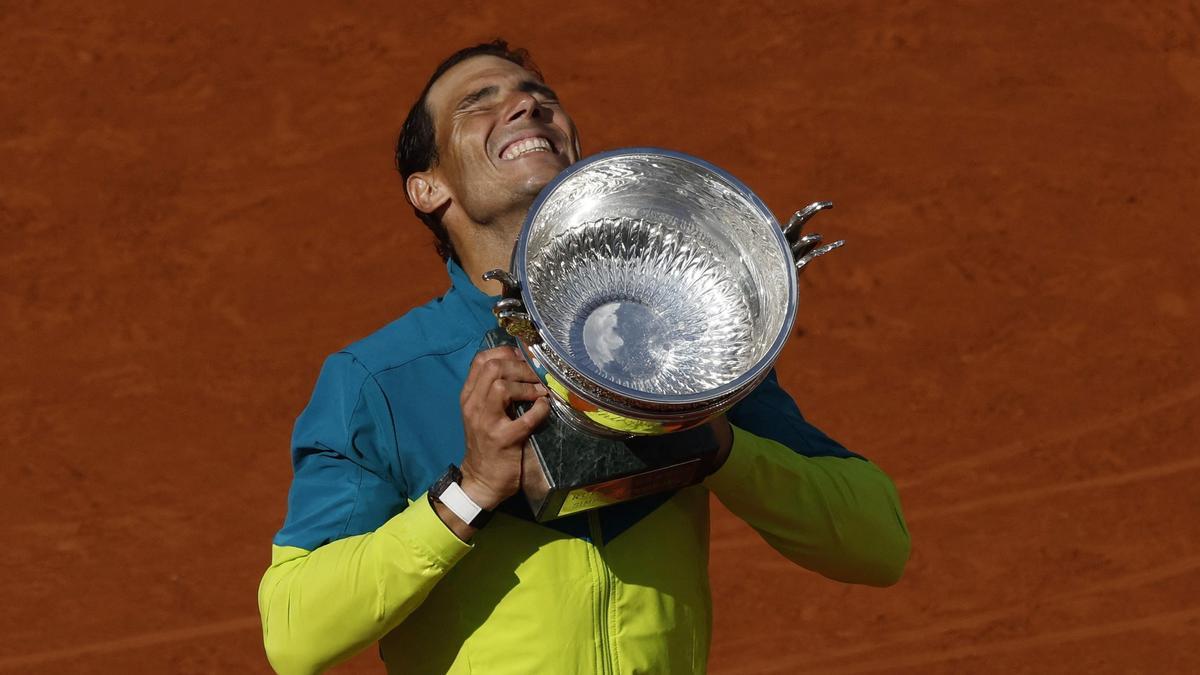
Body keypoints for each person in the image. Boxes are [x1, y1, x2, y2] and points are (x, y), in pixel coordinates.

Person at [257, 39, 910, 675]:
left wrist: (715, 440)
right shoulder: (381, 378)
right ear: (427, 189)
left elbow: (878, 542)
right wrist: (473, 489)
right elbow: (294, 629)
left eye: (540, 97)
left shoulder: (680, 336)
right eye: (477, 103)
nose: (525, 106)